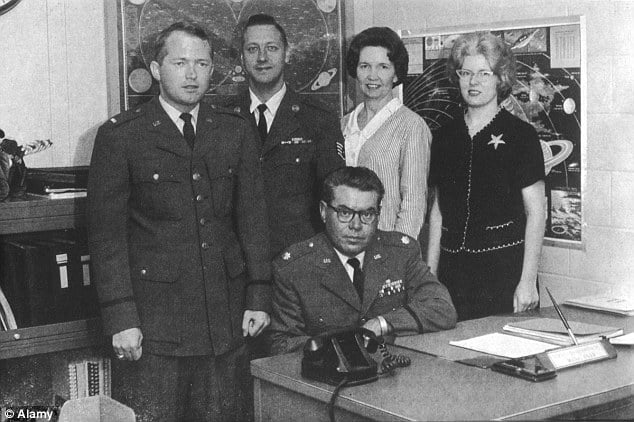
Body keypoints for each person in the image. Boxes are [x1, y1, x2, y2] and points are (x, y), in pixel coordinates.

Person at [88, 22, 271, 422]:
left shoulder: (233, 131)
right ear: (156, 69)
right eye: (181, 62)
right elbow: (107, 239)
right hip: (155, 328)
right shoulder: (122, 136)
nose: (192, 74)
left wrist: (258, 294)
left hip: (225, 323)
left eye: (202, 64)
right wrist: (121, 318)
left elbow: (253, 220)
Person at [268, 166, 457, 355]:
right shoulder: (294, 268)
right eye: (344, 212)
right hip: (328, 378)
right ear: (324, 211)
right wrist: (344, 348)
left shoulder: (401, 253)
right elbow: (281, 344)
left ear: (378, 215)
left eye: (367, 214)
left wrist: (383, 323)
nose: (356, 225)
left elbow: (442, 308)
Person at [426, 31, 546, 322]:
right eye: (466, 72)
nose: (473, 81)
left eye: (483, 73)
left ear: (499, 78)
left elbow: (537, 214)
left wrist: (527, 281)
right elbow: (438, 213)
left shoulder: (522, 136)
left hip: (504, 272)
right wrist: (428, 277)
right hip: (452, 274)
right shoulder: (444, 136)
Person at [225, 13, 345, 258]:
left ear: (287, 53)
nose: (262, 58)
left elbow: (334, 198)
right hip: (238, 266)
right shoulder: (222, 120)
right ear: (242, 57)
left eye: (271, 48)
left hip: (301, 263)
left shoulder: (319, 119)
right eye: (252, 49)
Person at [341, 27, 431, 239]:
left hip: (386, 248)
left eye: (383, 66)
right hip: (343, 247)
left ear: (396, 72)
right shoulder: (343, 124)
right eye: (365, 66)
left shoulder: (412, 126)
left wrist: (397, 256)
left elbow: (414, 203)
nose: (373, 76)